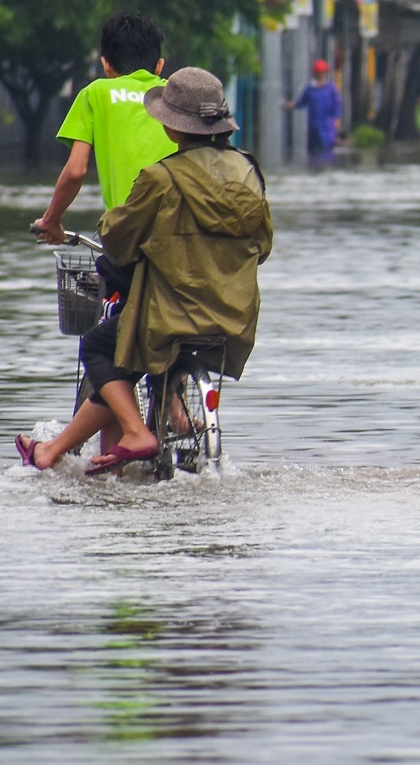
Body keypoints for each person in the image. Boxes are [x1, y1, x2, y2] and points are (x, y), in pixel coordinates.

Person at [18, 69, 273, 473]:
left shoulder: (161, 177)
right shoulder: (249, 171)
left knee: (100, 347)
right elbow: (263, 246)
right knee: (127, 359)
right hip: (233, 315)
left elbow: (119, 242)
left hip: (169, 316)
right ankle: (54, 450)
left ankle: (136, 433)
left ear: (174, 127)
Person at [33, 12, 174, 245]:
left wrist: (51, 220)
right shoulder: (178, 94)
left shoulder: (96, 93)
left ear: (106, 64)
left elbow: (76, 170)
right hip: (182, 239)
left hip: (128, 238)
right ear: (159, 66)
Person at [286, 59, 342, 166]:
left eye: (322, 73)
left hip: (327, 126)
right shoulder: (310, 89)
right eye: (319, 73)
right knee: (314, 151)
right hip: (314, 127)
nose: (321, 75)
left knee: (327, 150)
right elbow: (301, 102)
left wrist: (337, 118)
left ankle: (325, 168)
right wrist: (291, 105)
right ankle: (316, 169)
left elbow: (337, 105)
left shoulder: (331, 89)